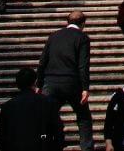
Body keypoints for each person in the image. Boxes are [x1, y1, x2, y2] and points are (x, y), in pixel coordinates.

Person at [38, 11, 94, 151]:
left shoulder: (53, 36)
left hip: (51, 82)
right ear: (83, 24)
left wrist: (39, 84)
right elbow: (83, 65)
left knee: (48, 117)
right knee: (83, 117)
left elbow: (42, 62)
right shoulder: (82, 37)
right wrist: (85, 88)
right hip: (72, 83)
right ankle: (86, 147)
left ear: (67, 22)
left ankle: (50, 145)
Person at [0, 66, 65, 151]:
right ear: (34, 82)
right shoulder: (48, 103)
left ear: (17, 84)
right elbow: (58, 132)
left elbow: (1, 138)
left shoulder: (7, 107)